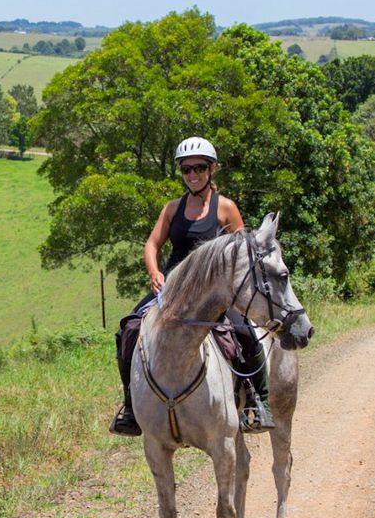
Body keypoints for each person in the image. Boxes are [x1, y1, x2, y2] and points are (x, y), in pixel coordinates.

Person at [110, 137, 275, 436]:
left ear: (212, 169)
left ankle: (258, 402)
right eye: (186, 169)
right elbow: (152, 243)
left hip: (214, 293)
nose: (192, 174)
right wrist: (154, 272)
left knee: (244, 332)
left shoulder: (226, 208)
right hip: (171, 289)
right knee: (129, 330)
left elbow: (242, 252)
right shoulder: (173, 208)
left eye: (199, 167)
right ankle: (131, 407)